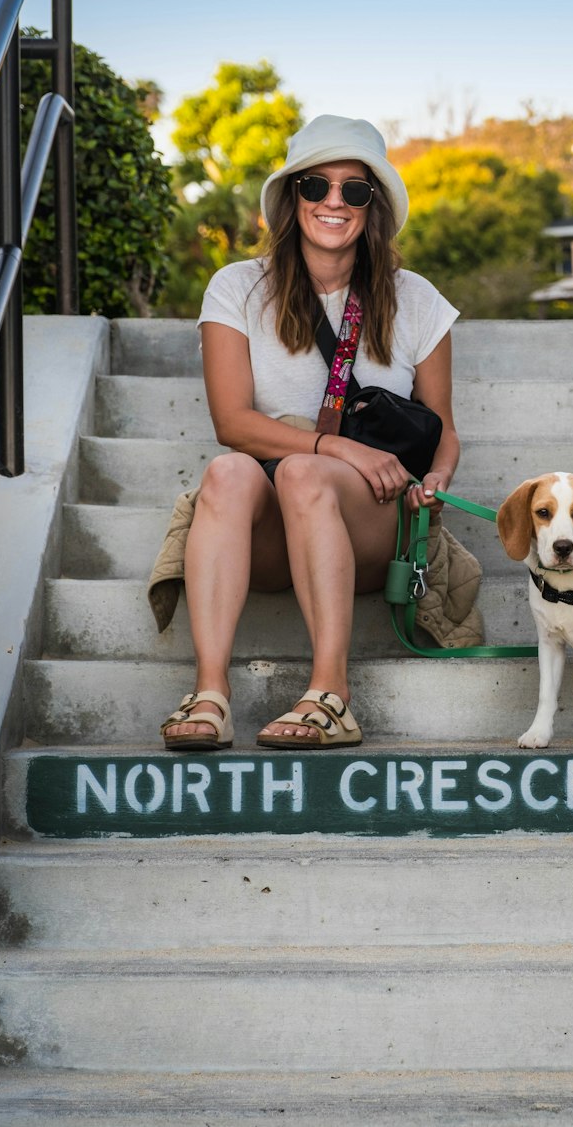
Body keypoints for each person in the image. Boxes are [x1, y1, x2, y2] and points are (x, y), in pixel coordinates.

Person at [160, 115, 460, 751]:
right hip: (273, 523)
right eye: (316, 185)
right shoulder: (237, 288)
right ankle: (211, 693)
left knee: (301, 472)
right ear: (292, 197)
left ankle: (331, 695)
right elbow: (231, 423)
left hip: (369, 519)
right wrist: (335, 444)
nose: (334, 201)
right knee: (227, 469)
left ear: (372, 207)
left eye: (355, 190)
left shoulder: (418, 300)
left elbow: (445, 434)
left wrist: (434, 480)